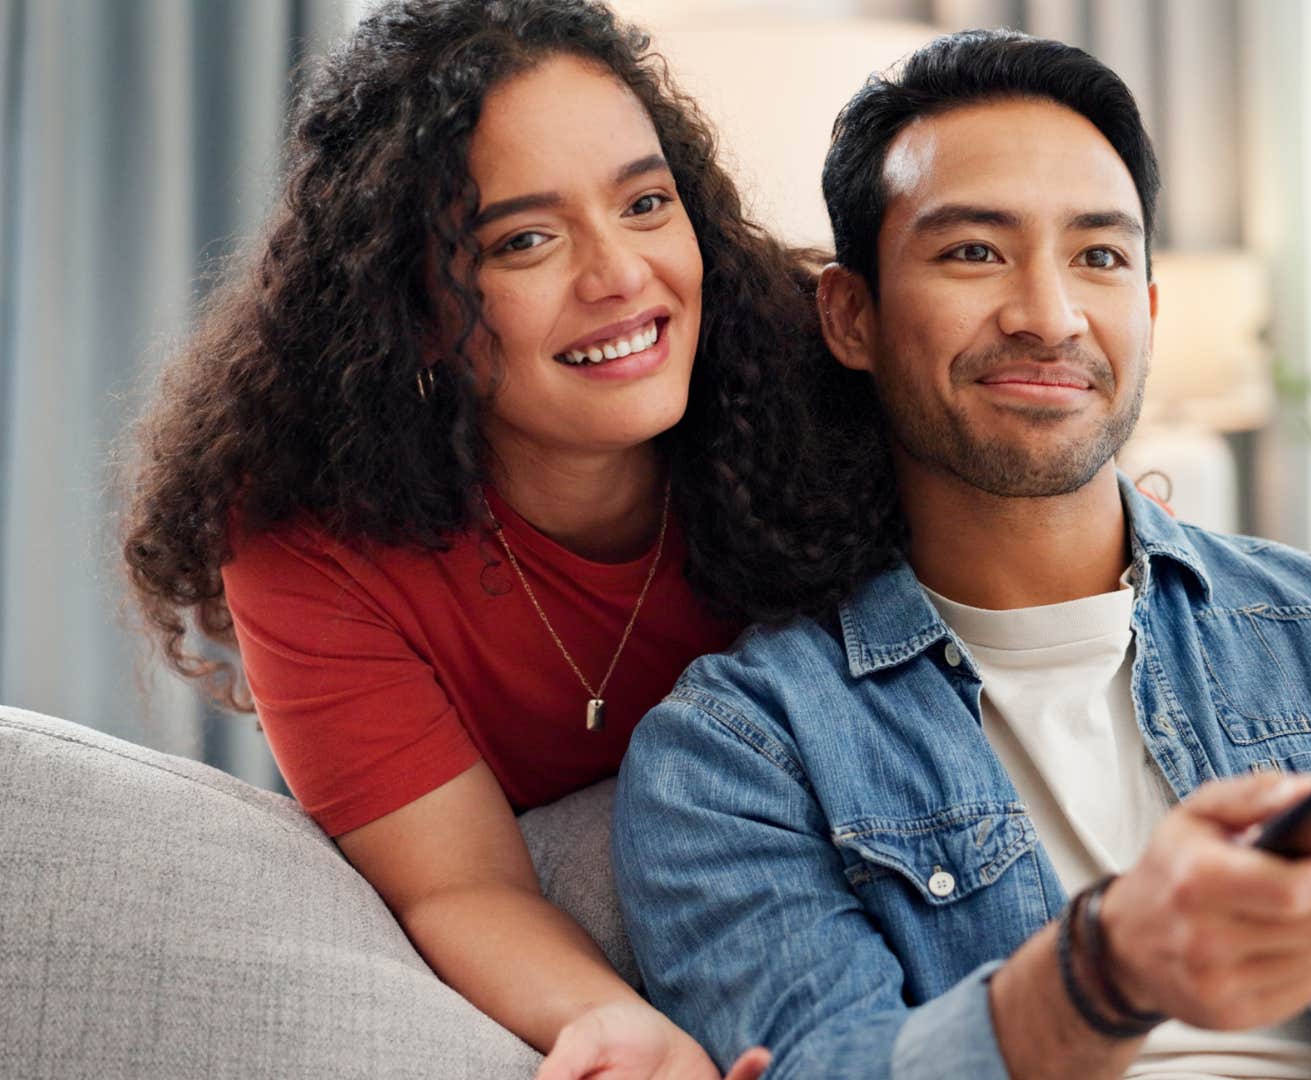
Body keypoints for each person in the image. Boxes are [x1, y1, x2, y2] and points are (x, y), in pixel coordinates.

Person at [611, 29, 1311, 1080]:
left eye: (1097, 255)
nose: (1049, 314)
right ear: (851, 317)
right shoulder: (741, 753)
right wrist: (1104, 970)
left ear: (1147, 307)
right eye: (975, 251)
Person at [119, 2, 887, 1076]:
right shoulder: (304, 533)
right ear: (413, 309)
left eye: (645, 202)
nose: (620, 274)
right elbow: (460, 884)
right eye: (525, 238)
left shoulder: (826, 387)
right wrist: (615, 1023)